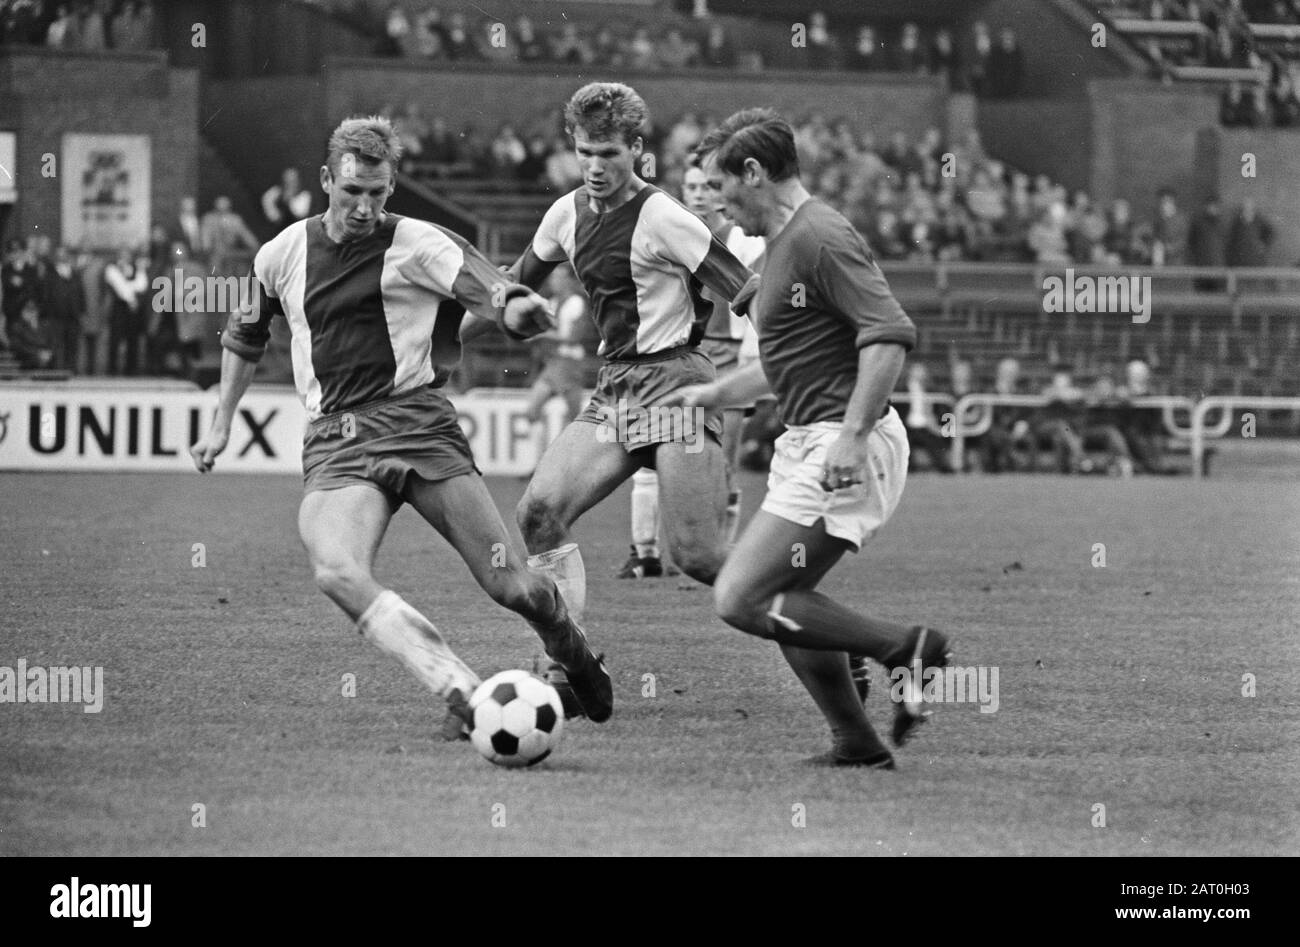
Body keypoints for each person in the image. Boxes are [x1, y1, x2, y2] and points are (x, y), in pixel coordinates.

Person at [190, 115, 612, 737]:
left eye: (377, 193)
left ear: (391, 187)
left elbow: (490, 287)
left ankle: (572, 652)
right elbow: (245, 336)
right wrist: (221, 422)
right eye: (351, 191)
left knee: (513, 587)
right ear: (326, 180)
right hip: (336, 441)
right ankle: (464, 694)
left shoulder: (420, 242)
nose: (364, 207)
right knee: (337, 571)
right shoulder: (279, 254)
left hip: (420, 428)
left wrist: (518, 308)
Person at [671, 108, 953, 768]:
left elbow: (888, 336)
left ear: (753, 172)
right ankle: (856, 741)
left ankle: (906, 647)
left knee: (740, 596)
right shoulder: (781, 245)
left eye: (721, 185)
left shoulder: (819, 236)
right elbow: (786, 362)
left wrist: (851, 437)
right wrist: (712, 394)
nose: (716, 201)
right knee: (784, 599)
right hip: (810, 439)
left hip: (844, 442)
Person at [505, 82, 759, 714]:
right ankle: (571, 669)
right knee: (538, 513)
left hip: (678, 386)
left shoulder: (665, 217)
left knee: (697, 556)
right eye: (585, 152)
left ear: (637, 150)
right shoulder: (564, 214)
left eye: (609, 153)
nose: (595, 167)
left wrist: (800, 361)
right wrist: (488, 307)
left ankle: (822, 631)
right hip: (616, 388)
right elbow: (511, 285)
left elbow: (745, 290)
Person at [616, 155, 765, 579]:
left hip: (730, 358)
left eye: (708, 187)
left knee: (721, 464)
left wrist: (752, 358)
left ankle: (715, 558)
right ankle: (644, 553)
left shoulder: (745, 241)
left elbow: (757, 300)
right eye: (692, 187)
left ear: (721, 192)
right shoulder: (667, 230)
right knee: (648, 454)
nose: (699, 194)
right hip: (677, 356)